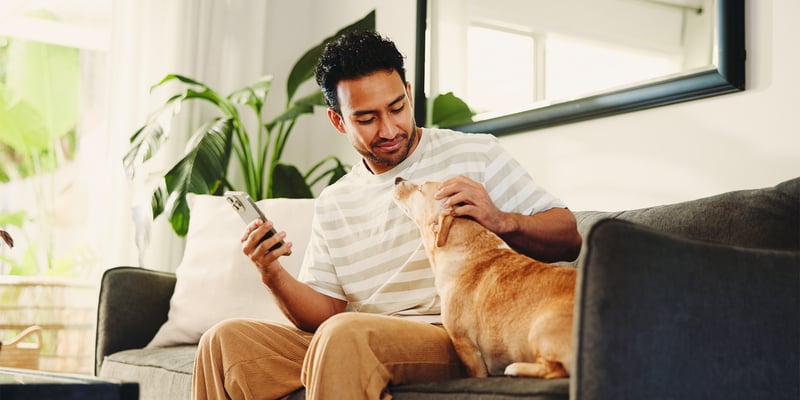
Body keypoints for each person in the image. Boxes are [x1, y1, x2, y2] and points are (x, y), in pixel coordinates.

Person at [192, 30, 582, 400]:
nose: (390, 128)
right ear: (338, 120)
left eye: (397, 107)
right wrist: (271, 273)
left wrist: (501, 219)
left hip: (449, 333)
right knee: (222, 342)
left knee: (345, 335)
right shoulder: (335, 201)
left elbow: (568, 236)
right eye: (366, 118)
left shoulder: (476, 154)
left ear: (409, 93)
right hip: (356, 335)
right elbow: (323, 313)